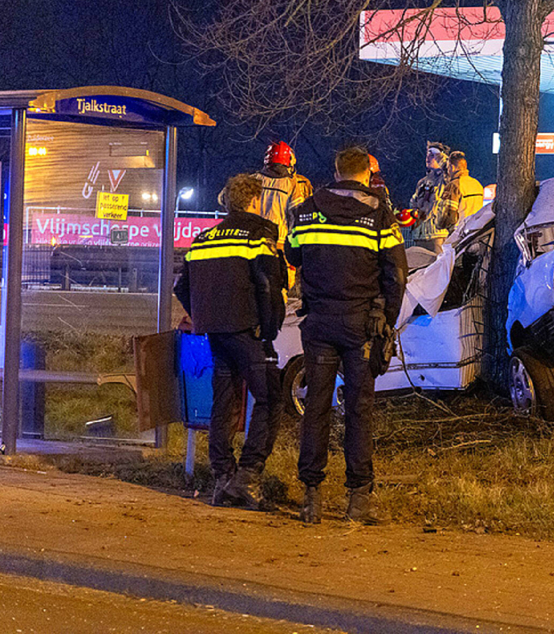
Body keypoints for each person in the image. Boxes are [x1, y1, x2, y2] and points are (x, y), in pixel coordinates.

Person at [286, 146, 407, 524]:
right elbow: (397, 276)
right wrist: (385, 319)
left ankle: (311, 498)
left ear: (336, 172)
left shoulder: (305, 212)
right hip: (361, 327)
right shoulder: (381, 215)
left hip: (319, 323)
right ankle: (358, 499)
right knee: (359, 410)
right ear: (367, 176)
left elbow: (292, 256)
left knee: (316, 408)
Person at [174, 174, 287, 509]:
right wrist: (269, 328)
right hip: (249, 332)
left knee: (224, 403)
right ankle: (248, 477)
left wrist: (203, 315)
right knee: (270, 399)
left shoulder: (203, 238)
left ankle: (223, 477)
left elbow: (182, 287)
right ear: (255, 201)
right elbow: (269, 282)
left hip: (216, 334)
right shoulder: (259, 232)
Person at [409, 141, 451, 254]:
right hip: (420, 236)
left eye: (432, 155)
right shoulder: (423, 182)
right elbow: (414, 203)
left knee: (438, 268)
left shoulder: (446, 180)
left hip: (437, 236)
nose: (428, 157)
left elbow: (449, 168)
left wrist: (440, 156)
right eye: (427, 154)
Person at [443, 151, 484, 224]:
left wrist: (439, 224)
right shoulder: (477, 184)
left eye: (448, 168)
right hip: (475, 228)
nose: (448, 171)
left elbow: (449, 216)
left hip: (460, 229)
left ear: (452, 167)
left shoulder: (454, 185)